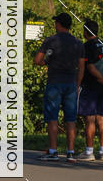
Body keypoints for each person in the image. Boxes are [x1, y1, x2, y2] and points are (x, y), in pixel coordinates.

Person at [34, 13, 84, 163]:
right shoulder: (78, 43)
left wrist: (46, 62)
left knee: (52, 118)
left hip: (54, 83)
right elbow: (81, 66)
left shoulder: (51, 40)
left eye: (56, 22)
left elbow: (38, 60)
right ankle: (70, 153)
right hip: (71, 84)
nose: (55, 25)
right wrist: (77, 84)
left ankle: (53, 151)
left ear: (59, 24)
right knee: (71, 119)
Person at [77, 19, 103, 162]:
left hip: (90, 86)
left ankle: (89, 151)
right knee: (101, 118)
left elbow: (89, 67)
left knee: (89, 119)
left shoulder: (86, 46)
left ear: (86, 32)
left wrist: (78, 84)